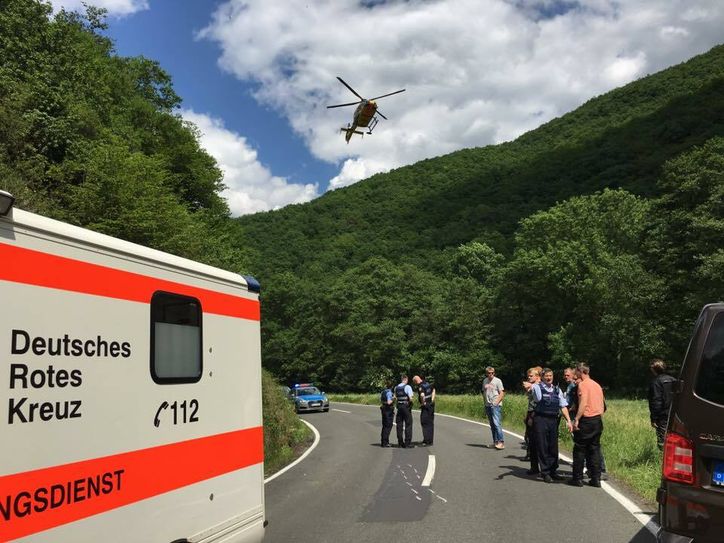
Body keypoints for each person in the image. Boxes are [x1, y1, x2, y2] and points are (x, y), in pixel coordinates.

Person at [527, 368, 573, 482]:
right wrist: (532, 386)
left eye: (550, 376)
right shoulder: (537, 387)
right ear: (542, 377)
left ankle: (553, 471)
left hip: (553, 420)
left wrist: (568, 420)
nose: (549, 378)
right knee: (543, 445)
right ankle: (545, 472)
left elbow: (563, 406)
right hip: (541, 419)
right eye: (546, 376)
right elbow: (537, 397)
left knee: (553, 446)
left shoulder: (557, 390)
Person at [564, 366, 608, 480]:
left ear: (580, 372)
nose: (575, 375)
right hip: (597, 420)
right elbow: (603, 404)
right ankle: (596, 478)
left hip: (586, 420)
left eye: (576, 373)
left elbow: (583, 403)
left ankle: (577, 478)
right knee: (594, 449)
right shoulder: (596, 385)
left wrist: (577, 419)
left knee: (580, 449)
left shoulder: (583, 385)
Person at [648, 358, 676, 450]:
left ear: (653, 369)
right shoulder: (673, 380)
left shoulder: (655, 382)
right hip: (675, 415)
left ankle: (662, 456)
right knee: (675, 438)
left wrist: (654, 419)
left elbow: (656, 401)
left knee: (662, 440)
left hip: (662, 416)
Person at [482, 366, 505, 449]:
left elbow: (502, 393)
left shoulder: (498, 381)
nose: (490, 374)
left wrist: (496, 402)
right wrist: (485, 403)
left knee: (496, 423)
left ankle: (501, 442)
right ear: (486, 373)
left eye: (492, 373)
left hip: (495, 404)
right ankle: (495, 442)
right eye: (489, 373)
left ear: (494, 373)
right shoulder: (485, 381)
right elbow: (484, 392)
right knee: (492, 425)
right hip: (488, 404)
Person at [522, 367, 541, 471]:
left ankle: (538, 465)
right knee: (529, 437)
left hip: (535, 413)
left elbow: (537, 404)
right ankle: (534, 465)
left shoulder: (538, 387)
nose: (529, 377)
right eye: (528, 376)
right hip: (531, 412)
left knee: (535, 439)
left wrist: (532, 417)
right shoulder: (532, 386)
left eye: (531, 376)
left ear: (537, 377)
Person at [413, 375, 435, 446]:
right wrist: (432, 399)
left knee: (424, 422)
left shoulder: (420, 386)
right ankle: (430, 441)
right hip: (431, 405)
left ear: (416, 381)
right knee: (430, 423)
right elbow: (433, 390)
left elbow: (422, 395)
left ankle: (426, 441)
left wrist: (423, 403)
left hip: (425, 406)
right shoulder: (427, 383)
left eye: (414, 382)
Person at [394, 374, 415, 448]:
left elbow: (395, 397)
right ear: (406, 379)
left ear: (401, 379)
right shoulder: (407, 387)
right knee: (408, 424)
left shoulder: (396, 387)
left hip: (399, 407)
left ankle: (400, 443)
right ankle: (407, 443)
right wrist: (411, 402)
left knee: (399, 425)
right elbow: (411, 398)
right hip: (406, 407)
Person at [380, 380, 394, 447]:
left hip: (383, 408)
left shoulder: (383, 392)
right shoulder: (389, 392)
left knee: (384, 426)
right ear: (392, 386)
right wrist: (393, 398)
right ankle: (385, 442)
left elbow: (381, 400)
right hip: (388, 409)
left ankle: (383, 441)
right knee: (388, 426)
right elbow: (389, 402)